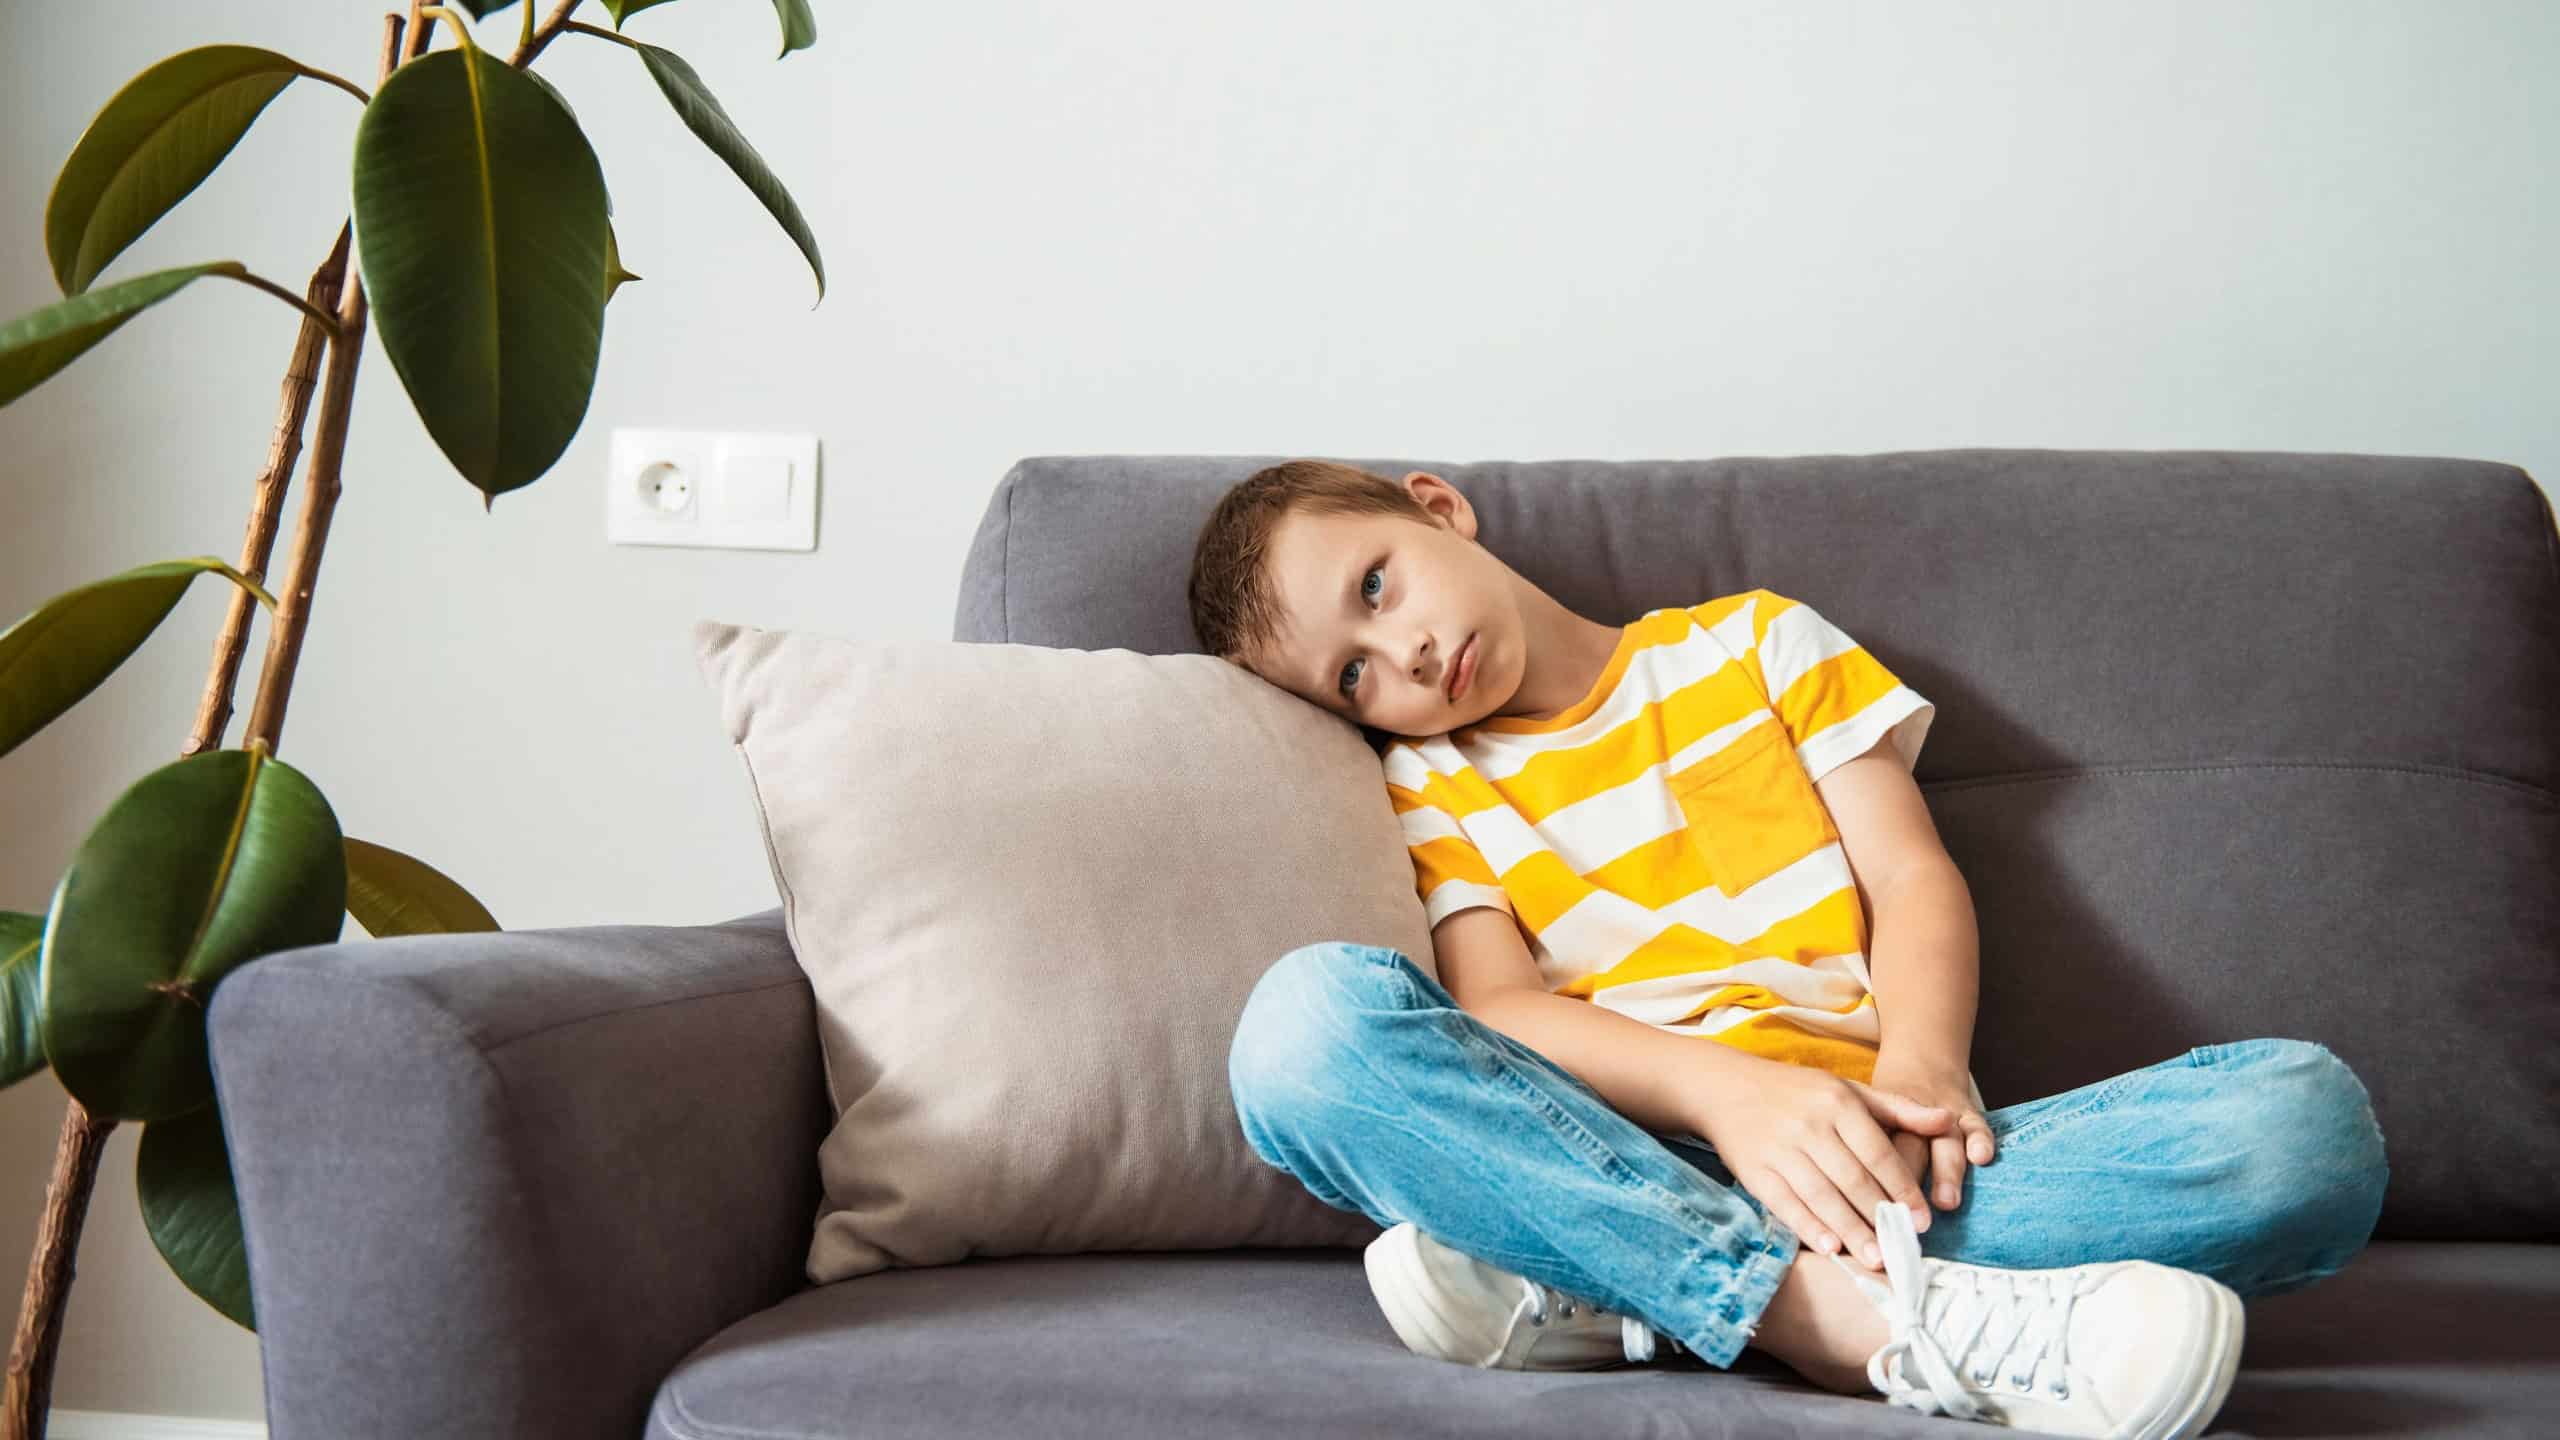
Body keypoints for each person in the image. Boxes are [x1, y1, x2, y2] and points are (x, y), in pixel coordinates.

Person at [1185, 459, 2388, 1436]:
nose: (1396, 656)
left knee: (2299, 1124)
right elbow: (1498, 1013)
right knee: (1301, 1028)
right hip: (1620, 1143)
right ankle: (1829, 1320)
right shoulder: (1434, 779)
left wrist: (1919, 1068)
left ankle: (1596, 1284)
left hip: (1882, 1160)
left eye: (1378, 588)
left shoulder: (1752, 644)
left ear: (1436, 509)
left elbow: (1910, 880)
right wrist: (1727, 1094)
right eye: (1352, 675)